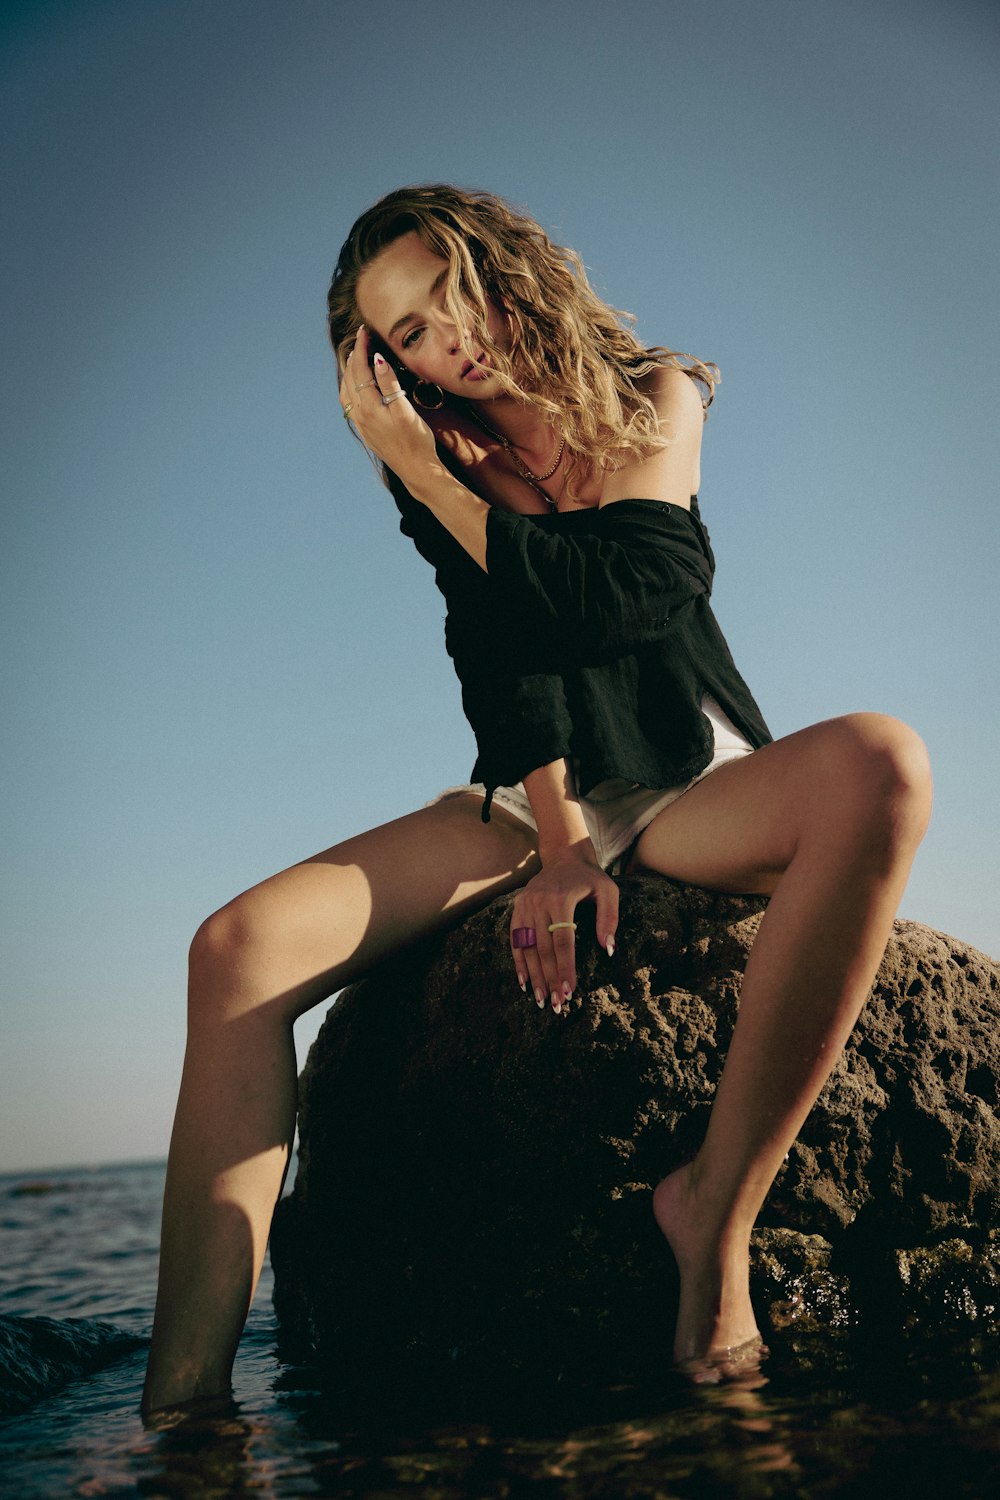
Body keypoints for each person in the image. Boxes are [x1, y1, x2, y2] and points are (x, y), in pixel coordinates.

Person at [141, 184, 932, 1413]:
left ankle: (710, 1220)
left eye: (439, 296)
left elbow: (627, 593)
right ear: (384, 363)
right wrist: (560, 845)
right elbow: (499, 649)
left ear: (495, 266)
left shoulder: (655, 392)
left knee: (883, 762)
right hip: (533, 792)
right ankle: (179, 1415)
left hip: (683, 775)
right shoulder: (443, 451)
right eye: (401, 333)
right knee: (231, 952)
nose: (438, 337)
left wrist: (437, 485)